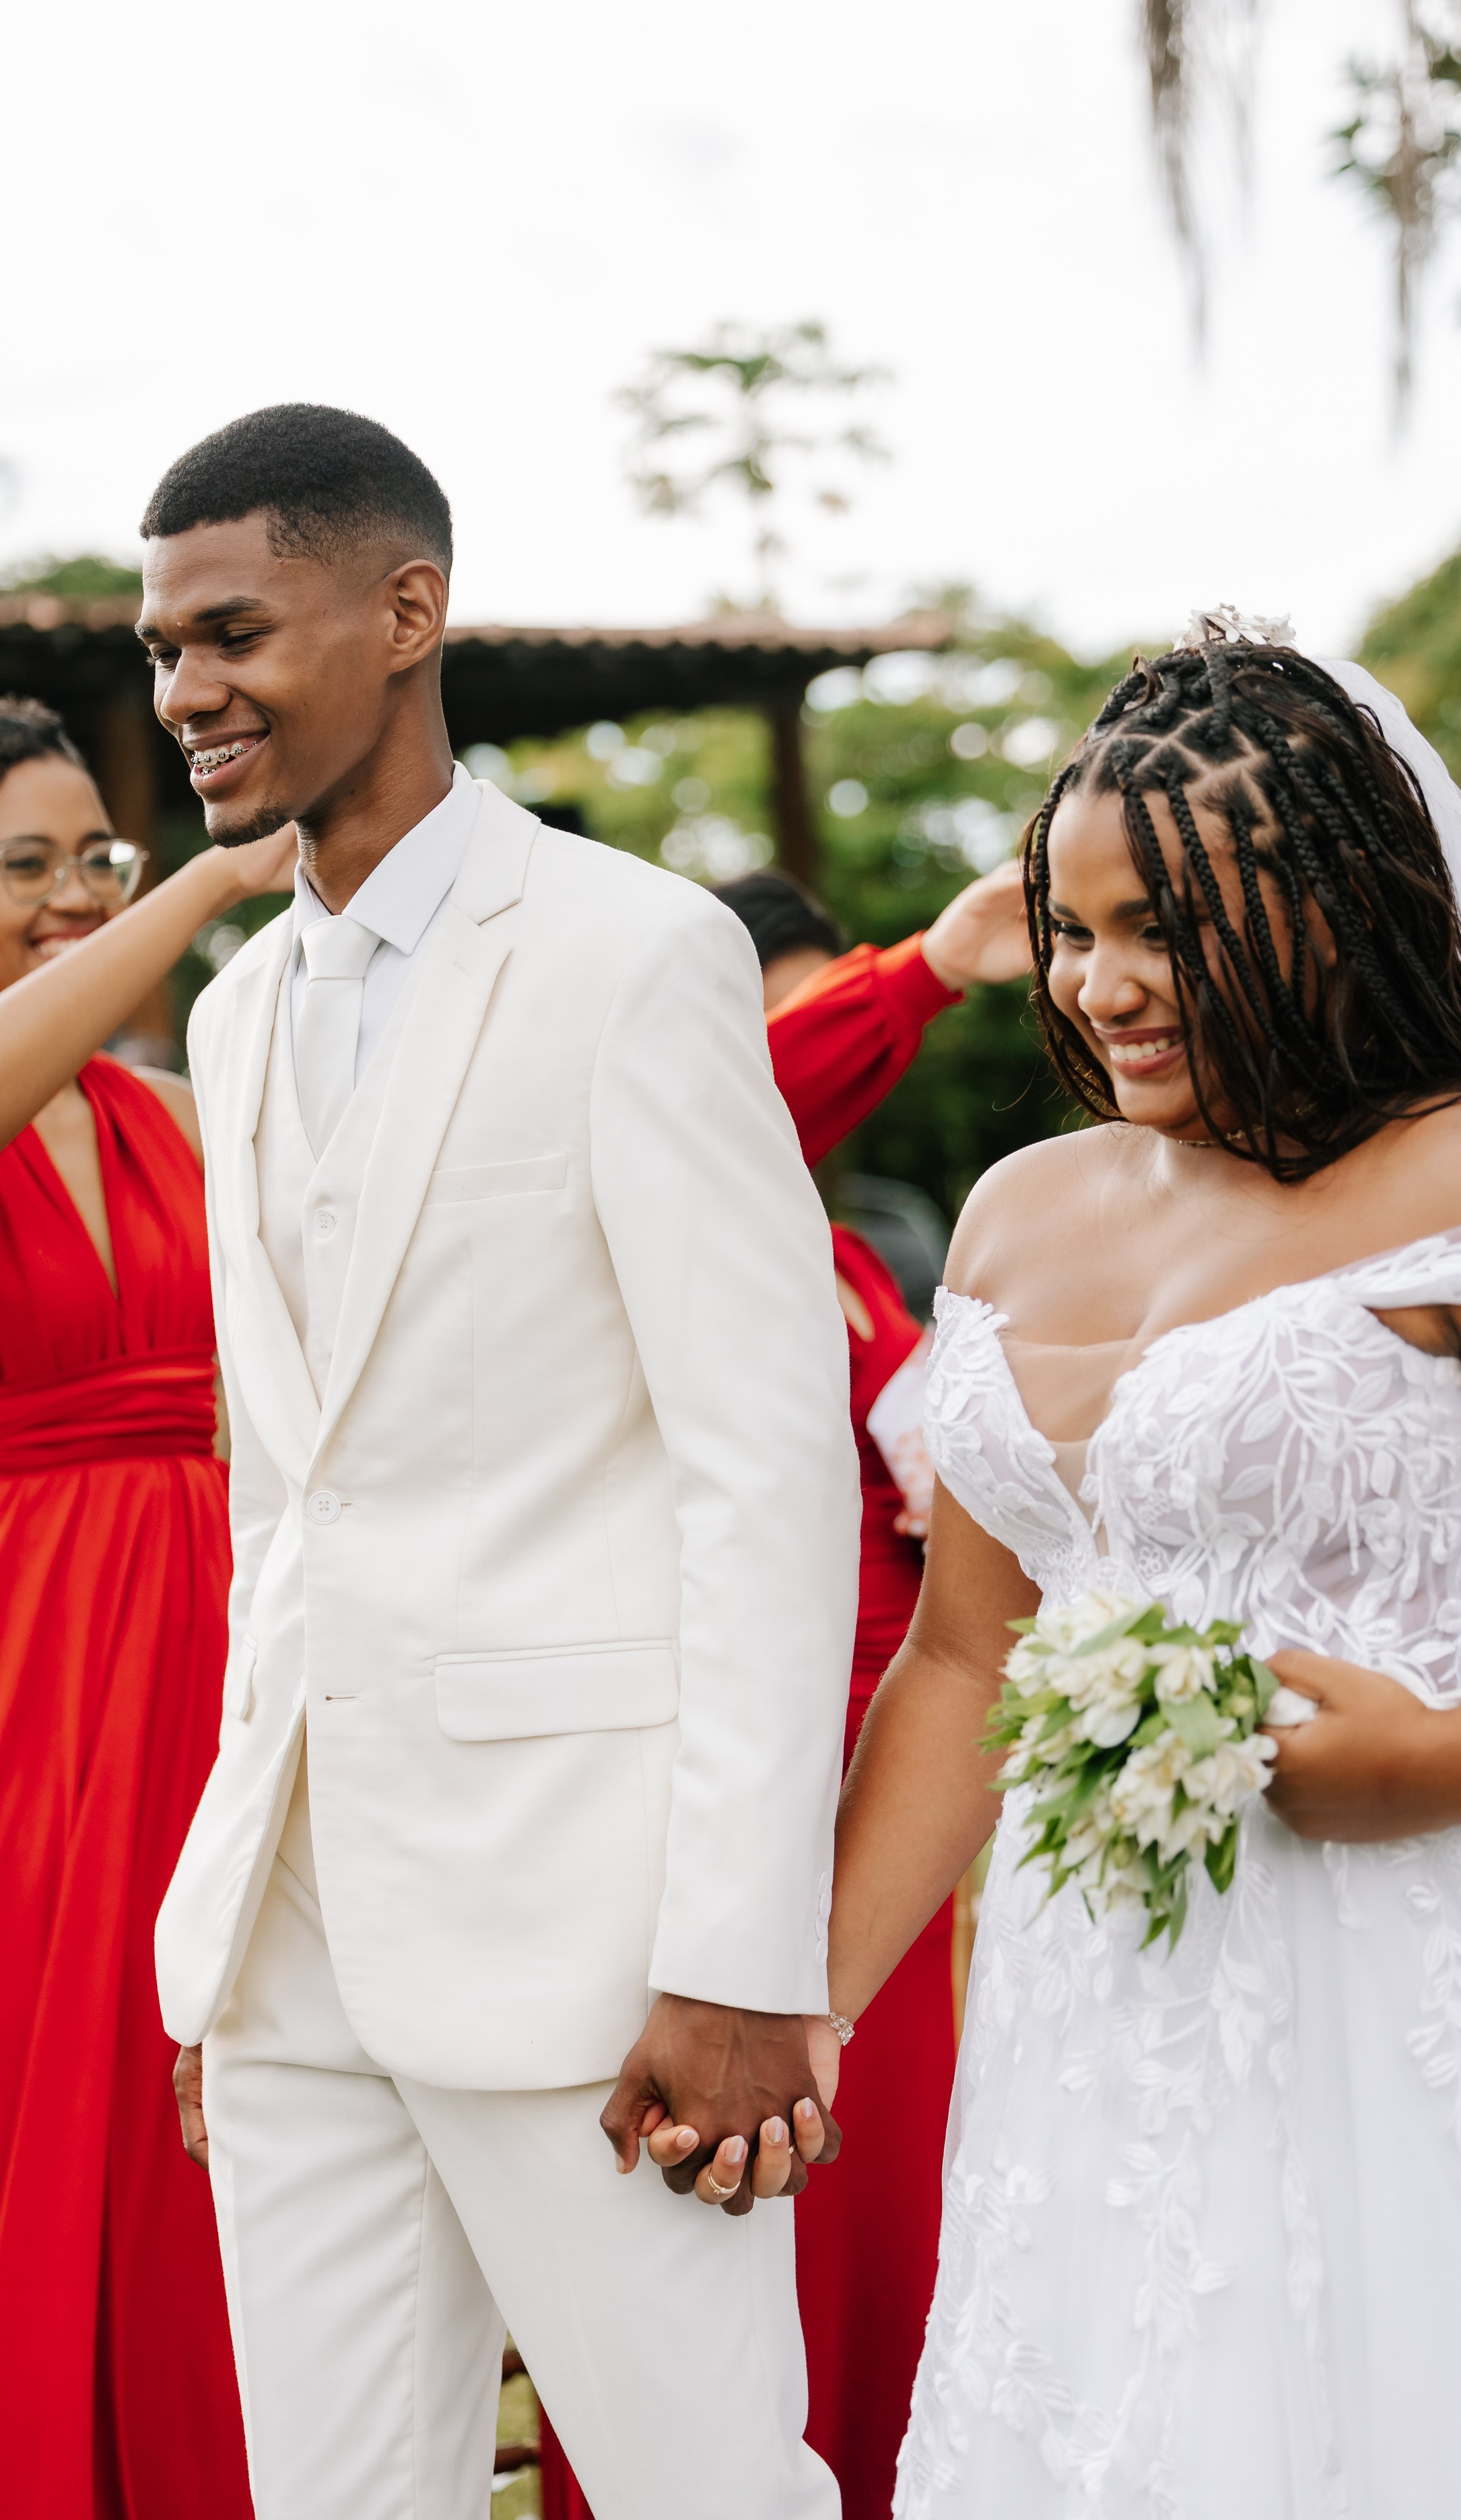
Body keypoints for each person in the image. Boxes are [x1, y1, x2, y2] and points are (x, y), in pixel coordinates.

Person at [791, 624, 1461, 2515]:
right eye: (1071, 928)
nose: (1104, 986)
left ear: (1332, 909)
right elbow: (969, 1659)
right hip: (1097, 2019)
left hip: (1445, 1985)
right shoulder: (1017, 1212)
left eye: (1166, 932)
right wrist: (807, 2007)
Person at [144, 403, 857, 2520]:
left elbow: (764, 1470)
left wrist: (740, 1957)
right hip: (294, 1931)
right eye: (169, 646)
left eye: (233, 632)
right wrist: (234, 1890)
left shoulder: (639, 955)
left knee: (705, 2489)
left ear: (408, 611)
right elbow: (291, 1493)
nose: (185, 692)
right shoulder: (235, 1013)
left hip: (590, 1940)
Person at [543, 861, 1029, 2520]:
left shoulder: (852, 1261)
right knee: (754, 2207)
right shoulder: (634, 1224)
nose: (817, 1055)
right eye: (780, 1021)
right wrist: (924, 971)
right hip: (754, 1746)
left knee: (893, 2194)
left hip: (907, 1742)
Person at [0, 695, 292, 2520]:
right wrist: (183, 898)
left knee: (229, 2099)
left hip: (222, 1643)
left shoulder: (185, 1108)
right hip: (30, 1671)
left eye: (93, 854)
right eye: (22, 864)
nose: (70, 894)